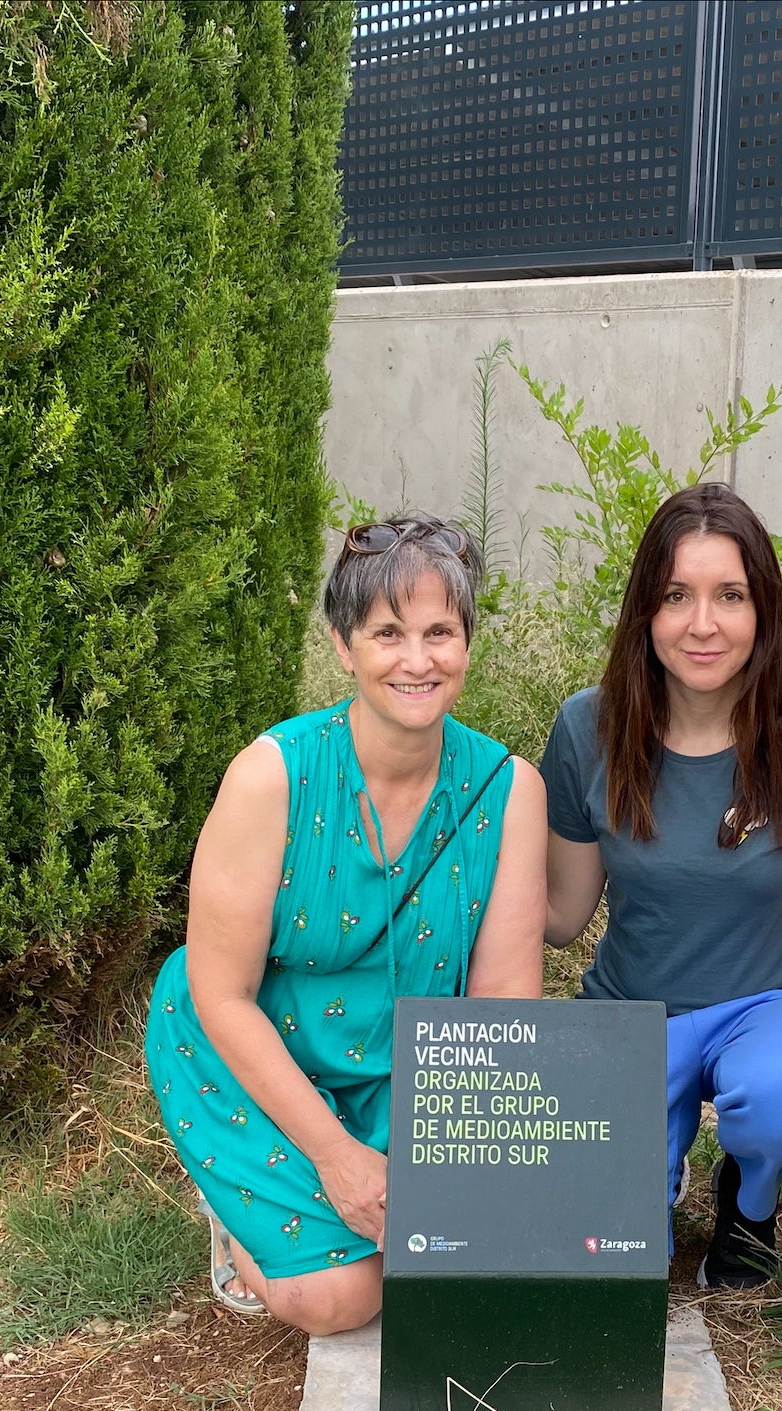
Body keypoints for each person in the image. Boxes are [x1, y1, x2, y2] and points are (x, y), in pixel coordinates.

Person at [145, 517, 547, 1335]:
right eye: (388, 633)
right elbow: (221, 993)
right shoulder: (272, 778)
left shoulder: (510, 790)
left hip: (407, 1070)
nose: (417, 659)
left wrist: (478, 1184)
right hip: (255, 1049)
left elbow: (504, 1004)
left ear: (467, 641)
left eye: (440, 632)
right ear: (342, 644)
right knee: (341, 1300)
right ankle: (234, 1218)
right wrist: (337, 1159)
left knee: (443, 1258)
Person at [542, 483, 782, 1289]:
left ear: (762, 608)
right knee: (609, 1266)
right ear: (643, 613)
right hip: (631, 1017)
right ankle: (650, 1178)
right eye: (676, 596)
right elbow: (561, 916)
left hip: (771, 1009)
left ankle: (751, 1198)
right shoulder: (586, 730)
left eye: (729, 595)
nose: (703, 624)